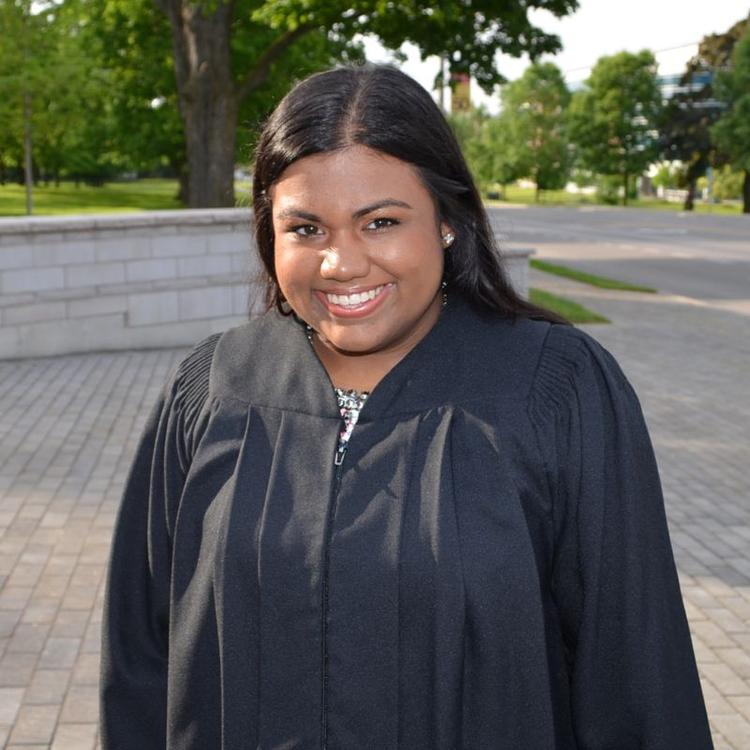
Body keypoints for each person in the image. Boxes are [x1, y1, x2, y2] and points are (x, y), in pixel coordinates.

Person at [99, 63, 714, 749]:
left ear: (447, 222)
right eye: (306, 229)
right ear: (268, 232)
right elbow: (142, 659)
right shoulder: (212, 389)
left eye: (381, 221)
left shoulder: (557, 391)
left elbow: (636, 676)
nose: (341, 263)